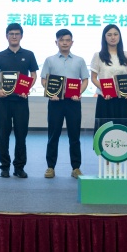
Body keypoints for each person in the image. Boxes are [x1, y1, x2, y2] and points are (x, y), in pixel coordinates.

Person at [0, 23, 38, 178]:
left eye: (17, 34)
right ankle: (4, 167)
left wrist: (27, 87)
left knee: (21, 136)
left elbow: (34, 75)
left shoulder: (29, 55)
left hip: (21, 102)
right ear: (7, 36)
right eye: (11, 34)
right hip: (4, 101)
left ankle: (19, 167)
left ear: (21, 36)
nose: (14, 36)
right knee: (3, 135)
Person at [40, 29, 89, 179]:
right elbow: (44, 80)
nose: (65, 43)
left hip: (73, 102)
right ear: (56, 42)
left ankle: (76, 167)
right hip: (55, 102)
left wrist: (78, 92)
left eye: (68, 40)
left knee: (74, 136)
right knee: (53, 135)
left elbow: (85, 80)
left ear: (72, 42)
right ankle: (50, 167)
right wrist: (50, 93)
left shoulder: (79, 60)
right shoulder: (50, 60)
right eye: (61, 40)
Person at [90, 24, 127, 147]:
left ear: (119, 36)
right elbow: (93, 78)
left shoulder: (126, 55)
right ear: (104, 37)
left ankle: (122, 157)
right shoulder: (98, 55)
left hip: (124, 100)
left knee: (124, 133)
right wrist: (105, 90)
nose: (113, 37)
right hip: (105, 99)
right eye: (109, 35)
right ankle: (106, 158)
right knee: (106, 134)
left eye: (116, 34)